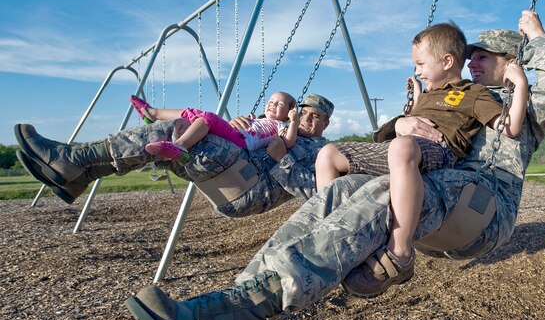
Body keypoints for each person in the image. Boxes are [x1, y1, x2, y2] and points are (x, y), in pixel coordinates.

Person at [119, 10, 545, 320]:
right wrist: (401, 123)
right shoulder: (456, 94)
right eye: (470, 56)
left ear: (512, 60)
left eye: (485, 57)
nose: (473, 63)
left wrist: (536, 36)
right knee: (343, 187)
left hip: (483, 207)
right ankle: (238, 315)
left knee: (380, 190)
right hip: (438, 192)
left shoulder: (525, 100)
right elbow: (415, 128)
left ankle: (239, 314)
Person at [315, 22, 528, 296]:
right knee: (329, 153)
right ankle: (337, 238)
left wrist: (520, 84)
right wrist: (413, 103)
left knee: (402, 147)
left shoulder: (473, 94)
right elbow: (396, 129)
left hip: (439, 153)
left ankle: (400, 251)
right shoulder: (427, 95)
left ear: (447, 61)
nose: (417, 70)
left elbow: (509, 127)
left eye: (421, 63)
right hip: (401, 150)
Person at [15, 93, 334, 217]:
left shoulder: (322, 149)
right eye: (304, 112)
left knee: (178, 129)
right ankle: (80, 173)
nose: (307, 118)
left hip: (248, 185)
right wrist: (240, 126)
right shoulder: (278, 128)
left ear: (326, 123)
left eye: (315, 116)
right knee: (172, 144)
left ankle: (72, 162)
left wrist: (283, 159)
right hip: (234, 170)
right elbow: (256, 137)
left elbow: (318, 194)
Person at [129, 91, 300, 163]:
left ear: (289, 111)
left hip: (241, 143)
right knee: (193, 113)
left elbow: (288, 142)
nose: (272, 105)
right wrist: (252, 122)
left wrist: (293, 121)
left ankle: (180, 146)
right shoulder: (259, 120)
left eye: (279, 104)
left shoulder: (281, 125)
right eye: (271, 101)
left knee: (209, 117)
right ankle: (153, 113)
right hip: (236, 135)